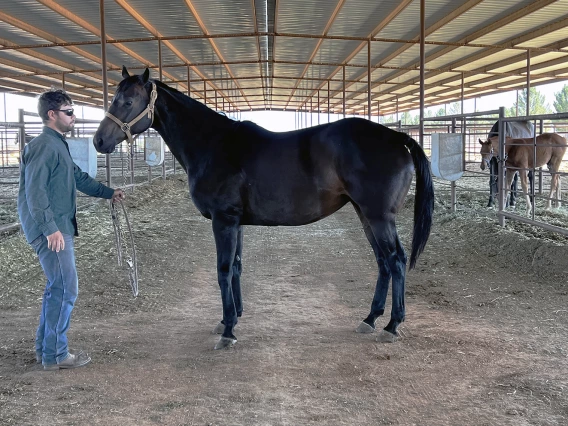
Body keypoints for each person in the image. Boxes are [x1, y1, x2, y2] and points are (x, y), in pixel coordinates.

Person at [17, 88, 125, 371]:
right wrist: (49, 228)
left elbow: (78, 177)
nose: (73, 117)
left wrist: (108, 192)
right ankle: (57, 355)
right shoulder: (43, 145)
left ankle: (46, 350)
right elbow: (35, 191)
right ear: (52, 115)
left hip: (57, 224)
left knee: (57, 288)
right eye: (69, 112)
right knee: (66, 289)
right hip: (52, 229)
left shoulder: (57, 144)